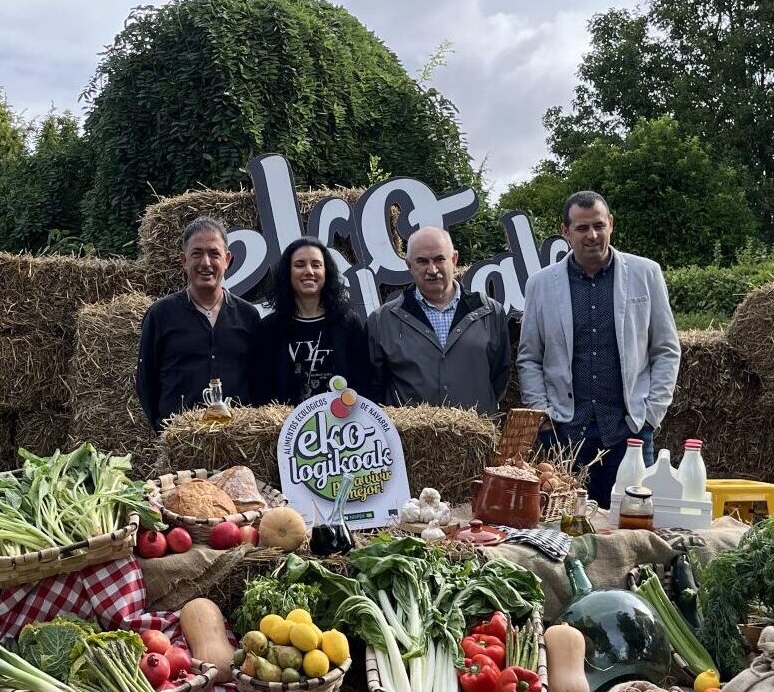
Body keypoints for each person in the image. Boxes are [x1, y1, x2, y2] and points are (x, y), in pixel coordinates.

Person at [517, 191, 680, 506]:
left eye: (598, 225)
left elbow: (666, 349)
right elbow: (529, 357)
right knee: (561, 524)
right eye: (582, 228)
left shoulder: (646, 274)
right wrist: (542, 416)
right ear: (566, 232)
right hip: (564, 436)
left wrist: (651, 414)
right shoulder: (541, 284)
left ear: (611, 224)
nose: (592, 235)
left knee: (633, 524)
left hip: (630, 432)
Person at [135, 217, 263, 430]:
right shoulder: (160, 315)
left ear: (227, 260)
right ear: (184, 260)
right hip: (180, 439)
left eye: (214, 253)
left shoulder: (248, 316)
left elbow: (260, 381)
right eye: (197, 253)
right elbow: (146, 382)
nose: (206, 262)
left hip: (237, 438)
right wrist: (163, 429)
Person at [367, 226, 512, 414]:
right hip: (410, 433)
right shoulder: (382, 321)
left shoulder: (490, 313)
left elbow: (499, 377)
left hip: (475, 430)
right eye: (422, 261)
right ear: (409, 265)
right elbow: (374, 388)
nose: (432, 269)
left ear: (454, 259)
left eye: (439, 259)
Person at [254, 237, 372, 405]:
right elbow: (261, 391)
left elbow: (363, 385)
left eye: (316, 265)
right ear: (287, 272)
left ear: (326, 272)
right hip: (287, 421)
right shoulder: (269, 328)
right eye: (299, 265)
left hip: (341, 419)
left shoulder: (348, 323)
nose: (309, 271)